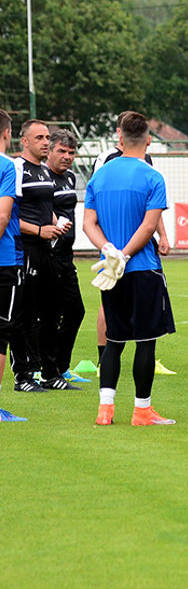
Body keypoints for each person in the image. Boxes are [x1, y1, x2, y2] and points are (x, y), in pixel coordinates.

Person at [82, 111, 175, 426]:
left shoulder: (99, 176)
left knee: (114, 339)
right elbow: (149, 227)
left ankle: (105, 409)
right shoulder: (152, 177)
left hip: (111, 271)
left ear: (119, 138)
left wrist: (109, 251)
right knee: (146, 340)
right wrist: (124, 254)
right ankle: (142, 410)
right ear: (148, 140)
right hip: (143, 268)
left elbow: (89, 224)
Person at [12, 119, 75, 391]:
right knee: (25, 314)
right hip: (25, 250)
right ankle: (23, 376)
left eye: (47, 137)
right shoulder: (17, 168)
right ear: (24, 141)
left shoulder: (46, 172)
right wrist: (39, 230)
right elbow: (10, 216)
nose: (45, 142)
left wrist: (56, 224)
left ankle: (50, 373)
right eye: (39, 137)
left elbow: (44, 208)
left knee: (52, 311)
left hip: (46, 250)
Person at [46, 130, 88, 386]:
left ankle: (61, 367)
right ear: (49, 151)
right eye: (61, 151)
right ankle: (41, 369)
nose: (67, 157)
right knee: (47, 315)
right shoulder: (41, 177)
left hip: (66, 256)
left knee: (75, 311)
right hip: (46, 255)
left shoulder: (70, 177)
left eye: (71, 152)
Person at [0, 109, 26, 421]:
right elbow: (3, 216)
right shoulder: (8, 166)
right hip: (4, 260)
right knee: (1, 332)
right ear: (7, 132)